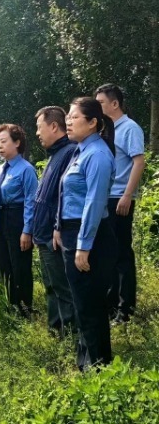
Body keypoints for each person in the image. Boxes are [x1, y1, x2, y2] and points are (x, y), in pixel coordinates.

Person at [53, 97, 117, 371]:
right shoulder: (80, 151)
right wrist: (59, 227)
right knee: (82, 301)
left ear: (92, 123)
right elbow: (67, 194)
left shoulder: (98, 155)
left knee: (90, 304)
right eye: (67, 117)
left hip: (89, 235)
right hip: (73, 232)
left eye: (73, 117)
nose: (68, 121)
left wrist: (83, 245)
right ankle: (86, 362)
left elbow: (94, 202)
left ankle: (99, 366)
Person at [95, 84, 145, 324]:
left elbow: (139, 162)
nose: (98, 108)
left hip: (120, 198)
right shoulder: (106, 130)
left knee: (122, 254)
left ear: (114, 104)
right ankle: (110, 304)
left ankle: (126, 310)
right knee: (108, 254)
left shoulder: (129, 128)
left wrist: (127, 195)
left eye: (101, 103)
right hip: (106, 197)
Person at [0, 124, 38, 317]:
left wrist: (27, 230)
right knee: (3, 265)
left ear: (17, 142)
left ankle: (25, 308)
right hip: (0, 219)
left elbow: (31, 201)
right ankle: (10, 306)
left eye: (4, 141)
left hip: (18, 218)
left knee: (20, 265)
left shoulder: (26, 170)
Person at [33, 107, 76, 337]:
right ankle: (55, 332)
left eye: (39, 127)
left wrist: (56, 228)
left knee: (62, 288)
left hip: (54, 235)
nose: (37, 133)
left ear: (53, 126)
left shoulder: (69, 152)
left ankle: (70, 336)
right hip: (43, 234)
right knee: (51, 286)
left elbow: (65, 196)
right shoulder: (54, 154)